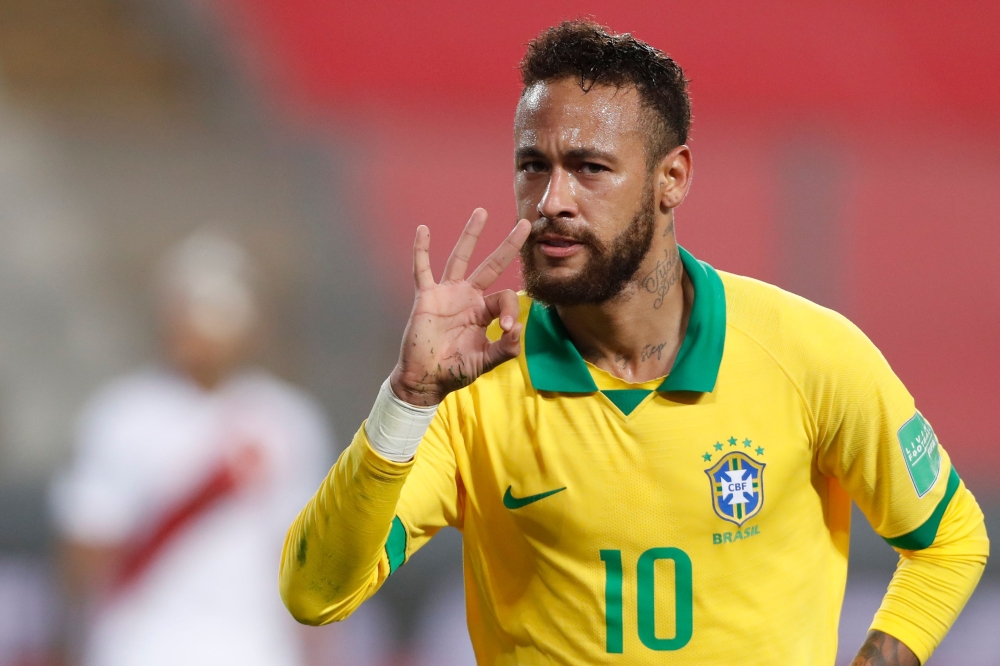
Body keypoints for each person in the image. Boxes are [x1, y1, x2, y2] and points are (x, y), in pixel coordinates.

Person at [279, 21, 988, 665]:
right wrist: (407, 400)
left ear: (671, 178)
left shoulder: (808, 354)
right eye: (533, 165)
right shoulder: (477, 385)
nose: (552, 199)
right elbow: (316, 595)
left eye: (589, 168)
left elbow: (950, 539)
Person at [51, 231, 333, 666]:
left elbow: (303, 559)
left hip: (254, 649)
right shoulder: (123, 413)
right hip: (138, 647)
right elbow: (87, 548)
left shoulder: (287, 420)